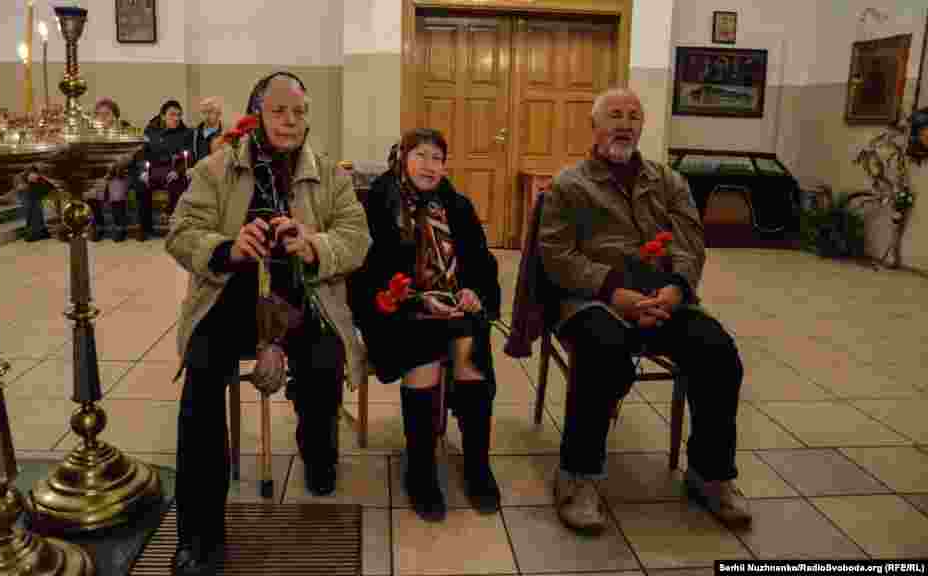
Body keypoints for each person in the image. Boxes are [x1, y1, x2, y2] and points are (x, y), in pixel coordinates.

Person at [165, 72, 370, 575]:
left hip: (306, 299)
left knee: (324, 362)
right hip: (229, 301)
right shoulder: (215, 170)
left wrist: (314, 243)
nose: (290, 121)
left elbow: (357, 240)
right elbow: (180, 233)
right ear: (258, 113)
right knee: (201, 383)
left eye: (299, 112)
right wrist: (227, 246)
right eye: (279, 111)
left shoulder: (330, 174)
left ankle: (317, 448)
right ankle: (198, 533)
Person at [537, 88, 751, 533]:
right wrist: (614, 290)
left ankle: (710, 474)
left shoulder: (668, 181)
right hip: (593, 299)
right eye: (614, 114)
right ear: (594, 127)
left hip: (664, 297)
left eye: (634, 116)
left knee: (718, 351)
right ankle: (578, 476)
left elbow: (691, 242)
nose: (625, 122)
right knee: (603, 352)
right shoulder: (569, 184)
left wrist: (676, 287)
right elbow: (556, 255)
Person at [352, 129, 502, 522]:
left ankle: (477, 465)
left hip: (451, 306)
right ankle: (420, 471)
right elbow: (367, 273)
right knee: (425, 351)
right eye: (421, 156)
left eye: (437, 158)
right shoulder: (380, 202)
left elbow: (482, 262)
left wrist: (473, 292)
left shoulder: (457, 204)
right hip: (396, 309)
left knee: (471, 345)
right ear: (403, 157)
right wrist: (418, 299)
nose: (429, 166)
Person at [133, 99, 192, 241]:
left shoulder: (186, 133)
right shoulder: (150, 131)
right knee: (141, 185)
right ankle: (145, 227)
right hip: (152, 170)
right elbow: (141, 154)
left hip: (172, 171)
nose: (176, 118)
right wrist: (143, 171)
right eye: (172, 115)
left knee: (179, 183)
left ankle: (175, 227)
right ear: (163, 116)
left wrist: (177, 171)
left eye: (179, 115)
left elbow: (188, 156)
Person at [87, 98, 135, 242]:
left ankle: (120, 226)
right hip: (98, 173)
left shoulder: (125, 131)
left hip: (119, 173)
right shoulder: (92, 134)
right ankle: (98, 225)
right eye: (99, 114)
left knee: (116, 190)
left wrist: (114, 166)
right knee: (91, 191)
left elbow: (130, 154)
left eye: (106, 114)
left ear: (115, 115)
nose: (102, 117)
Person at [190, 97, 223, 165]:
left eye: (210, 112)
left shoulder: (225, 134)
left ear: (219, 113)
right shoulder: (194, 133)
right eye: (204, 112)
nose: (207, 116)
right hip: (197, 173)